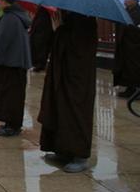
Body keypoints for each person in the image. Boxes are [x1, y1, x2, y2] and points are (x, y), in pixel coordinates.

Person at [39, 10, 97, 173]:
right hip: (64, 74)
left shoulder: (85, 19)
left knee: (75, 112)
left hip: (77, 78)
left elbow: (76, 46)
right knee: (61, 111)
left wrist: (59, 30)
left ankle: (80, 155)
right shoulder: (70, 17)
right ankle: (62, 150)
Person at [0, 0, 32, 136]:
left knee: (11, 95)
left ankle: (13, 125)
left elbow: (1, 39)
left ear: (6, 2)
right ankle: (11, 123)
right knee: (12, 94)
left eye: (0, 1)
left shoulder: (11, 18)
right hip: (13, 63)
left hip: (11, 63)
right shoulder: (13, 16)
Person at [113, 0, 140, 98]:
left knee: (134, 67)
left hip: (134, 46)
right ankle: (130, 88)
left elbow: (135, 29)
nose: (125, 1)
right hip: (125, 45)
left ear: (135, 0)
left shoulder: (138, 13)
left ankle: (135, 90)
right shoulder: (126, 11)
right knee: (126, 67)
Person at [30, 6, 54, 72]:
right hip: (40, 38)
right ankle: (39, 65)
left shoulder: (42, 14)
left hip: (40, 38)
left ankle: (39, 65)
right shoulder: (42, 14)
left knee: (40, 51)